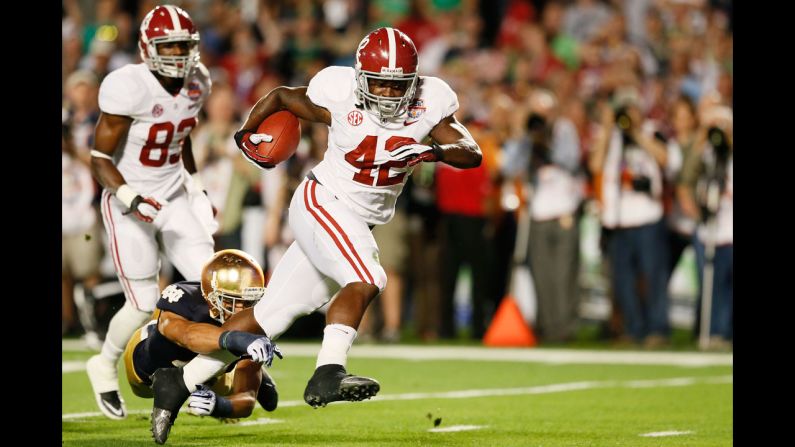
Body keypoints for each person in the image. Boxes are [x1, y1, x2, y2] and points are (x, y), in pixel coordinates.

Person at [149, 26, 481, 443]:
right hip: (322, 201)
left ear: (413, 83)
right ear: (360, 76)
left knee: (269, 317)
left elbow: (471, 152)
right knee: (368, 277)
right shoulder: (339, 94)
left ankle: (178, 382)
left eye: (397, 85)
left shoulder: (429, 104)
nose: (387, 93)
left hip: (357, 218)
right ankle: (328, 372)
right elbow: (283, 96)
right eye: (378, 82)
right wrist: (247, 131)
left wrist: (431, 150)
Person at [86, 5, 219, 420]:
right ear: (148, 49)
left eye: (185, 45)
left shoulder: (197, 81)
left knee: (215, 286)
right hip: (129, 200)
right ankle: (104, 364)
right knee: (143, 302)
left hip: (173, 194)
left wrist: (195, 186)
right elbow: (98, 157)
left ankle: (203, 374)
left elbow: (182, 136)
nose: (179, 54)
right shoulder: (129, 86)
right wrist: (130, 197)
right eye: (170, 45)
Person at [125, 249, 281, 444]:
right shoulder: (185, 297)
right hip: (145, 367)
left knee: (244, 389)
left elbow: (246, 399)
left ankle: (247, 367)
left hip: (209, 372)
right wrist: (236, 340)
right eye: (233, 300)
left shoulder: (251, 323)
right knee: (140, 388)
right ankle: (238, 364)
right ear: (210, 295)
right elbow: (186, 335)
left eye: (249, 300)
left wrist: (219, 406)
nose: (242, 309)